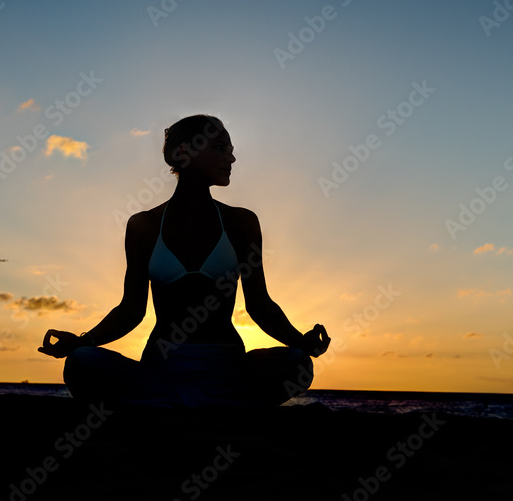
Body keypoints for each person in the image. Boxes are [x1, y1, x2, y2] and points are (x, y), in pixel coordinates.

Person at [38, 114, 330, 409]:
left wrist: (300, 341)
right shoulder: (143, 226)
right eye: (219, 148)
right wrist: (82, 342)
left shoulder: (241, 222)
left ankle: (169, 404)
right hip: (160, 370)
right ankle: (200, 404)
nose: (232, 158)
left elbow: (259, 304)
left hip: (227, 369)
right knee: (81, 362)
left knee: (297, 363)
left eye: (229, 149)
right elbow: (131, 310)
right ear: (182, 152)